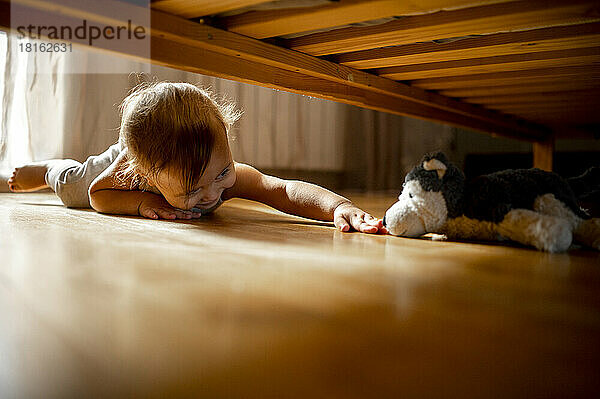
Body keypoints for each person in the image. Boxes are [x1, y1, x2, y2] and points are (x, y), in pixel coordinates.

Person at [7, 81, 386, 234]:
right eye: (193, 188)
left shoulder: (223, 177)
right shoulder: (132, 174)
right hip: (102, 169)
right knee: (69, 185)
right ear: (151, 177)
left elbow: (282, 190)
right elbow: (97, 194)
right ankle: (44, 167)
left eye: (221, 173)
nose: (212, 195)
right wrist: (142, 203)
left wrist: (337, 206)